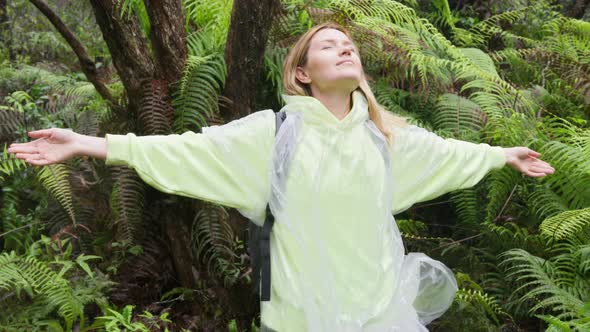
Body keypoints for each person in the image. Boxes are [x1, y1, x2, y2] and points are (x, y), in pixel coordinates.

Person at [8, 22, 554, 331]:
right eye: (328, 45)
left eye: (351, 46)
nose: (345, 48)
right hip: (298, 321)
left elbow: (450, 154)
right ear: (301, 72)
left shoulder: (387, 140)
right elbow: (187, 152)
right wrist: (91, 144)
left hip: (380, 317)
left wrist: (504, 154)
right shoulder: (273, 134)